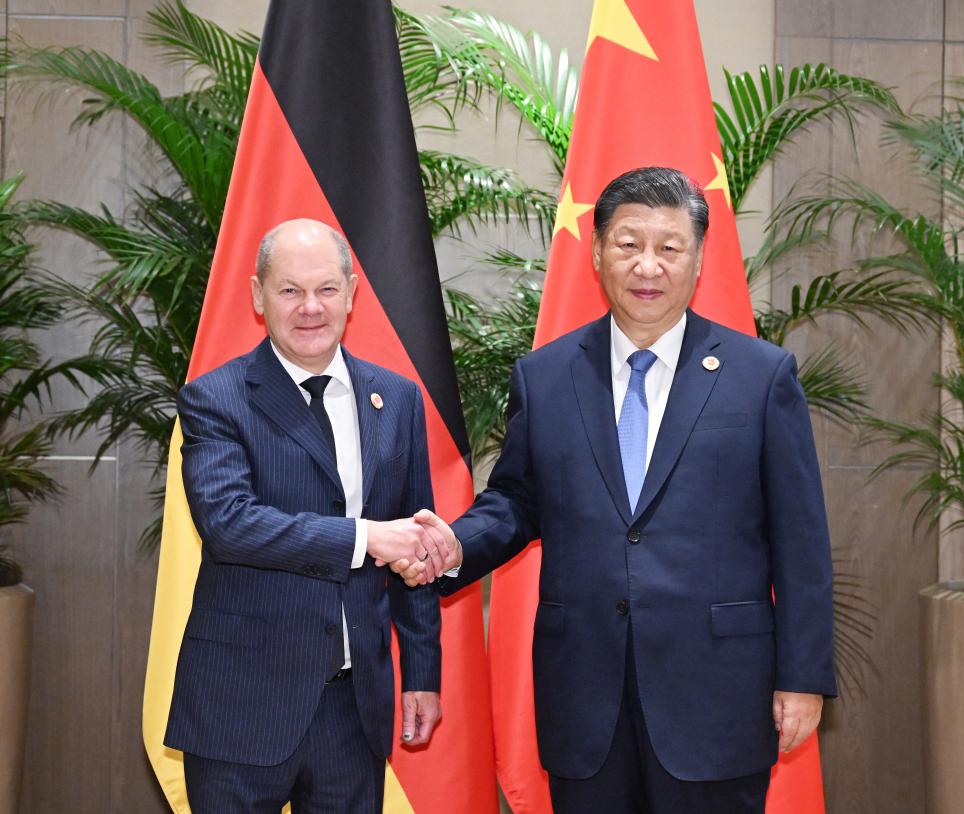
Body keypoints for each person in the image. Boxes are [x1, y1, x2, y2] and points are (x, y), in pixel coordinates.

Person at [399, 167, 837, 813]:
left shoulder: (759, 377)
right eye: (628, 244)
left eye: (668, 246)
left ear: (697, 259)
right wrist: (453, 546)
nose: (647, 265)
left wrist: (801, 679)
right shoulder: (545, 377)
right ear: (598, 252)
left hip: (715, 694)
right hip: (585, 695)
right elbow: (517, 502)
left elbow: (800, 542)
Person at [165, 218, 448, 813]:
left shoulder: (395, 398)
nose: (310, 307)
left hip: (353, 711)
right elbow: (230, 524)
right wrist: (365, 537)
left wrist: (422, 672)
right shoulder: (215, 398)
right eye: (289, 290)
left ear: (351, 293)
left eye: (325, 289)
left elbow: (415, 545)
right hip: (241, 707)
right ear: (257, 296)